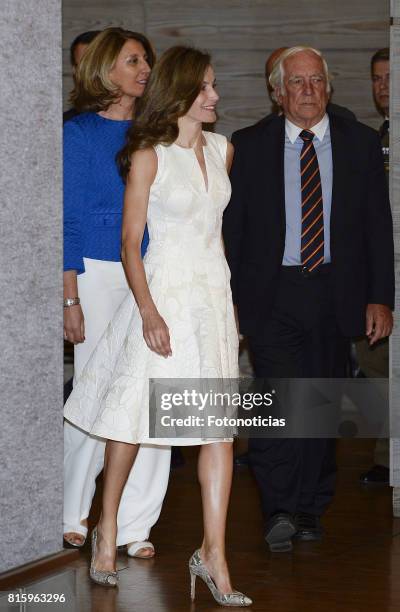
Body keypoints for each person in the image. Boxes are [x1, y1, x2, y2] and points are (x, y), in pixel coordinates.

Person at [64, 45, 252, 606]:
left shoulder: (223, 150)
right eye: (207, 87)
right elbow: (129, 244)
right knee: (131, 418)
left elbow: (216, 235)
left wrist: (231, 307)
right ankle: (107, 528)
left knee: (217, 430)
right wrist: (147, 311)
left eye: (215, 86)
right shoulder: (148, 154)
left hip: (211, 298)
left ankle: (213, 554)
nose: (216, 96)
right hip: (162, 294)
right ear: (183, 92)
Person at [223, 46, 394, 553]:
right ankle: (278, 507)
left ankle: (309, 508)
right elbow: (233, 230)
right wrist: (232, 298)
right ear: (277, 91)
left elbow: (376, 230)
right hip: (271, 292)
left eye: (316, 81)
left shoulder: (359, 143)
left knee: (319, 402)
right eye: (296, 82)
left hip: (335, 292)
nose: (308, 91)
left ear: (329, 87)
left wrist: (380, 298)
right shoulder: (248, 145)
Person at [63, 27, 172, 559]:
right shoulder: (78, 133)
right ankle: (71, 512)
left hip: (156, 274)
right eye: (134, 60)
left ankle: (135, 525)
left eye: (146, 60)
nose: (145, 68)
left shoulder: (161, 132)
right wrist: (69, 295)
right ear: (107, 70)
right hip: (98, 275)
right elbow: (67, 220)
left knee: (151, 400)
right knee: (94, 393)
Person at [358, 47, 391, 485]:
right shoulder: (373, 138)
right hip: (376, 275)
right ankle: (386, 455)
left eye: (390, 78)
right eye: (377, 79)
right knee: (375, 365)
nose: (383, 87)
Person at [63, 30, 101, 123]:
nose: (90, 73)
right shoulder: (65, 125)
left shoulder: (140, 119)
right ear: (75, 71)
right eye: (83, 66)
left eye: (97, 64)